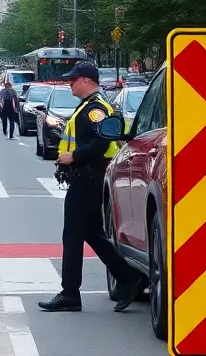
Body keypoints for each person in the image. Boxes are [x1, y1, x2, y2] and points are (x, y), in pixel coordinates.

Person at [39, 62, 144, 314]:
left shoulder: (95, 109)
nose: (69, 84)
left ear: (86, 80)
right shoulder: (90, 106)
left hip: (89, 177)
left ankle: (70, 294)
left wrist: (72, 157)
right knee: (92, 233)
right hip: (89, 177)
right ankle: (129, 278)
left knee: (72, 236)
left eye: (73, 80)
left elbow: (99, 144)